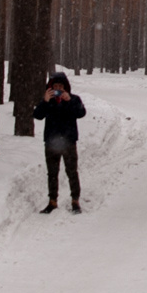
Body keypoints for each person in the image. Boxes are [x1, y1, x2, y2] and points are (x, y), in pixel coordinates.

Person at [36, 72, 87, 213]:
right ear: (50, 87)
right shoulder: (48, 101)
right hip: (51, 143)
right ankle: (52, 201)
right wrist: (45, 101)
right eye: (55, 86)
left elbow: (81, 113)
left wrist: (69, 101)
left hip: (69, 142)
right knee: (52, 173)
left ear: (66, 87)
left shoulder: (74, 99)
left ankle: (75, 201)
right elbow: (37, 115)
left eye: (61, 86)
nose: (58, 89)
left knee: (72, 172)